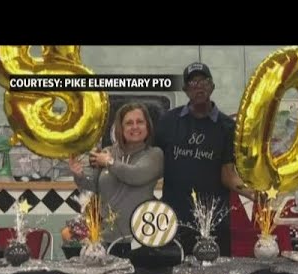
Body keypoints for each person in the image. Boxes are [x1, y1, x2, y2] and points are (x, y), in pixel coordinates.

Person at [154, 62, 254, 257]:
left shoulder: (228, 127)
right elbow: (151, 161)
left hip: (215, 222)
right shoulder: (168, 121)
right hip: (175, 219)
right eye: (192, 82)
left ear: (212, 86)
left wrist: (254, 192)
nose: (198, 86)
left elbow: (228, 175)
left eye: (204, 81)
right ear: (185, 90)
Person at [69, 102, 164, 256]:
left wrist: (109, 162)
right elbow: (92, 188)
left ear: (148, 126)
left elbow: (135, 175)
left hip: (142, 241)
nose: (135, 127)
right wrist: (78, 174)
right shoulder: (107, 152)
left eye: (140, 122)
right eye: (129, 123)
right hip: (106, 239)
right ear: (121, 128)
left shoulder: (155, 154)